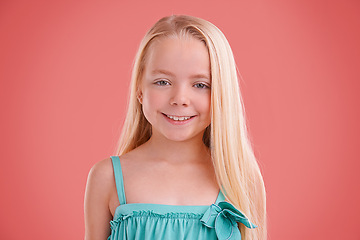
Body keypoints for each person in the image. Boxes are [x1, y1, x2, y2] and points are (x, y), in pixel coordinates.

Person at [84, 15, 266, 240]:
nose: (180, 99)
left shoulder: (241, 179)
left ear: (221, 94)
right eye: (163, 82)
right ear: (139, 89)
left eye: (200, 85)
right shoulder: (106, 178)